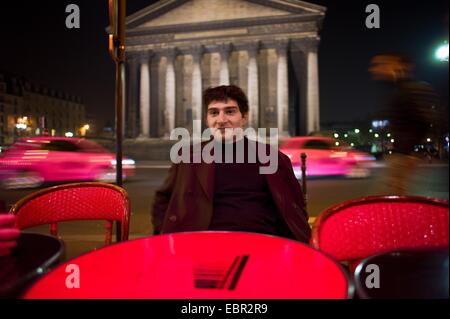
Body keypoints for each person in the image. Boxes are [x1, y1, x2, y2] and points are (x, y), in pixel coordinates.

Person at [151, 85, 311, 243]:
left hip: (262, 244)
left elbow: (295, 206)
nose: (221, 120)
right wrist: (165, 236)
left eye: (230, 111)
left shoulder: (273, 158)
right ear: (207, 120)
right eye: (214, 113)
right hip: (203, 245)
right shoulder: (187, 157)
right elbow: (163, 200)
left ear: (244, 118)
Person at [369, 53, 440, 194]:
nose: (374, 69)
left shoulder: (412, 89)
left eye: (381, 64)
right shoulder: (400, 88)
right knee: (393, 198)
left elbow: (424, 120)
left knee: (390, 198)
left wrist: (408, 152)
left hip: (403, 156)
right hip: (401, 155)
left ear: (396, 65)